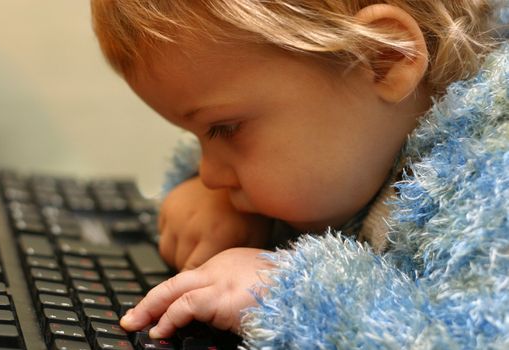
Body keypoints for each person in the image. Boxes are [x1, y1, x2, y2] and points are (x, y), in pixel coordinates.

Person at [91, 0, 509, 348]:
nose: (211, 175)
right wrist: (215, 206)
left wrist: (282, 293)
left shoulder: (493, 170)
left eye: (224, 128)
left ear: (382, 57)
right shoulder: (361, 145)